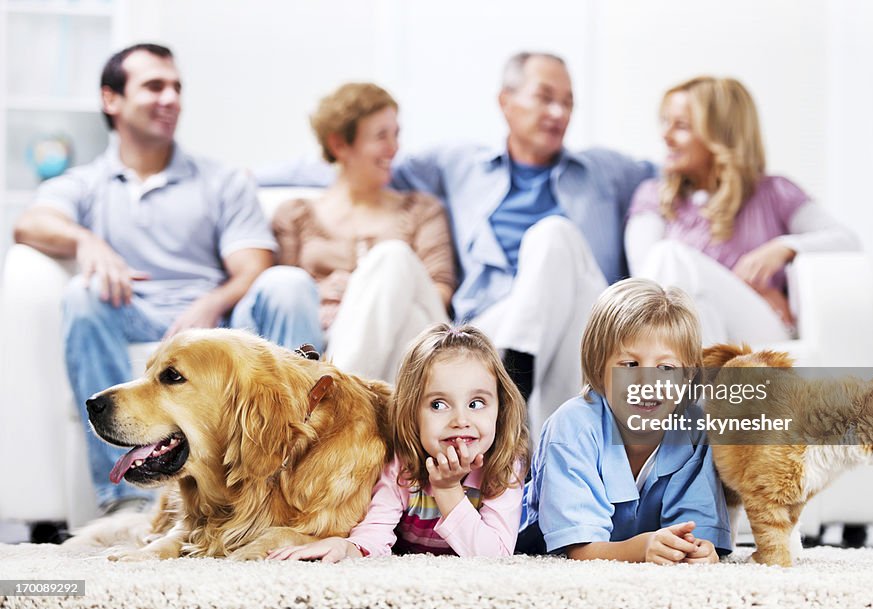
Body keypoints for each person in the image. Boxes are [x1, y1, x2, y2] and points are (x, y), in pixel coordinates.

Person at [255, 52, 655, 430]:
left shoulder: (606, 170)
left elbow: (678, 170)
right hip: (485, 326)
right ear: (506, 101)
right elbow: (355, 158)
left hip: (577, 321)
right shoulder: (461, 166)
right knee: (393, 257)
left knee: (552, 234)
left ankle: (513, 384)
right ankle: (337, 407)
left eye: (568, 102)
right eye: (545, 98)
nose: (559, 112)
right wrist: (236, 177)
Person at [12, 43, 321, 514]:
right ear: (111, 100)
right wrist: (87, 243)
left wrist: (213, 304)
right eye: (154, 86)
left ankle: (294, 473)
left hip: (212, 325)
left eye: (177, 87)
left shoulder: (219, 180)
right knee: (81, 295)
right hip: (134, 312)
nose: (171, 97)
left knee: (288, 283)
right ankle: (128, 503)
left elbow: (254, 264)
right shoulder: (87, 184)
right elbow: (29, 224)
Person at [626, 76, 859, 346]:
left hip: (759, 324)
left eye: (681, 126)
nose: (665, 136)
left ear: (719, 134)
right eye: (665, 122)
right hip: (687, 331)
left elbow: (848, 241)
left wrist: (782, 248)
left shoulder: (775, 193)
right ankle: (687, 386)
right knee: (671, 266)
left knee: (671, 257)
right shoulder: (654, 196)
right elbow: (644, 287)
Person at [267, 323, 530, 560]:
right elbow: (375, 531)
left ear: (500, 408)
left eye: (476, 403)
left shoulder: (504, 467)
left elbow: (495, 556)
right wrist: (348, 547)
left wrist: (448, 490)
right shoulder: (402, 465)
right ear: (412, 413)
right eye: (438, 404)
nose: (461, 420)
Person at [519, 278, 730, 563]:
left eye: (666, 367)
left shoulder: (693, 430)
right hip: (542, 545)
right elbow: (581, 550)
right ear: (598, 366)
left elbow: (696, 533)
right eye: (630, 365)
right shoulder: (572, 427)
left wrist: (701, 551)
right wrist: (644, 548)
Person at [272, 83, 455, 382]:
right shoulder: (295, 214)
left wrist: (366, 294)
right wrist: (318, 294)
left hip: (422, 342)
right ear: (339, 145)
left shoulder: (422, 209)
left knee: (392, 257)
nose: (394, 148)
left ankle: (335, 399)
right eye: (381, 136)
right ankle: (352, 402)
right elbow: (283, 302)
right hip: (333, 339)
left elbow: (440, 290)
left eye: (396, 134)